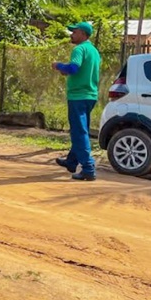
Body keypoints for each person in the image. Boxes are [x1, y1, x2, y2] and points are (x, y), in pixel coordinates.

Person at [51, 21, 101, 181]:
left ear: (83, 34)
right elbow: (81, 71)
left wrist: (58, 65)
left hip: (78, 96)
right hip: (90, 95)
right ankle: (71, 161)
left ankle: (88, 168)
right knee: (82, 129)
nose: (72, 35)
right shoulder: (94, 51)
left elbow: (73, 68)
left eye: (74, 32)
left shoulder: (79, 49)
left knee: (79, 132)